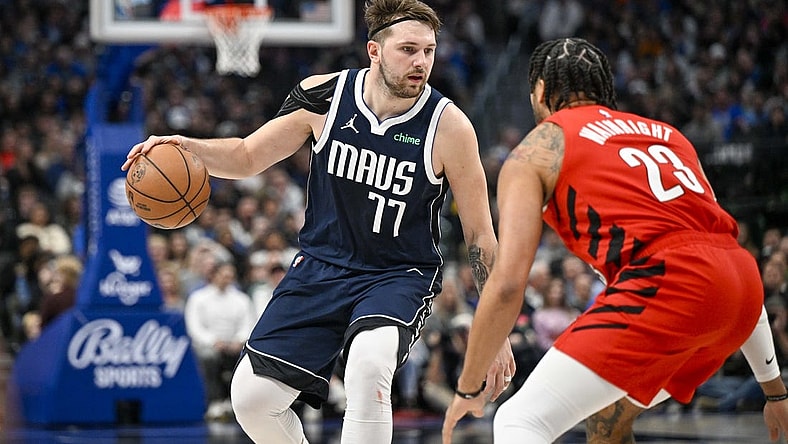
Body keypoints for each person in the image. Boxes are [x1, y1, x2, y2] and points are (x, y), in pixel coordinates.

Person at [122, 0, 515, 441]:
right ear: (374, 51)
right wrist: (187, 146)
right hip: (322, 266)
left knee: (368, 366)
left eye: (429, 50)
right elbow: (249, 155)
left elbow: (481, 233)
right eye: (408, 49)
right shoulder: (323, 96)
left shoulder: (450, 128)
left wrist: (496, 329)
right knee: (251, 400)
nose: (421, 62)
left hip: (397, 275)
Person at [442, 37, 788, 444]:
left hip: (670, 285)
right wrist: (775, 390)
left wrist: (468, 387)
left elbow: (507, 284)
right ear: (604, 90)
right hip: (742, 288)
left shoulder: (537, 148)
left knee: (519, 421)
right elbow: (718, 256)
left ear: (539, 92)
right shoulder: (668, 136)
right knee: (608, 417)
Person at [184, 261, 256, 421]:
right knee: (209, 358)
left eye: (230, 276)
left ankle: (235, 401)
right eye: (224, 275)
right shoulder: (198, 298)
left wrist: (238, 340)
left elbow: (249, 323)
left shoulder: (241, 299)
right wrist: (213, 341)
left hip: (235, 344)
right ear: (214, 276)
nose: (227, 279)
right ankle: (214, 401)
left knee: (247, 358)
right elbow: (194, 327)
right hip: (208, 345)